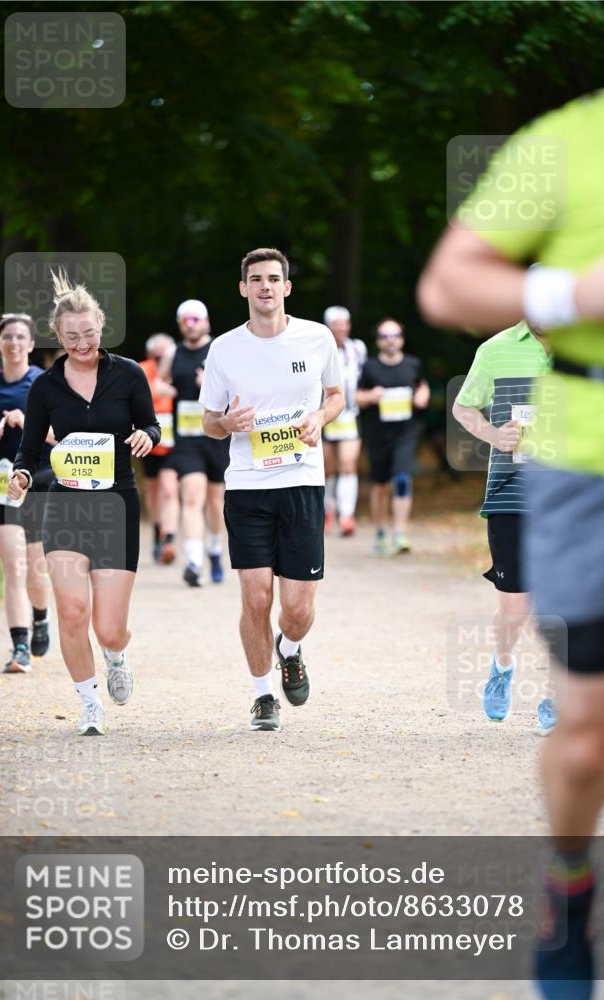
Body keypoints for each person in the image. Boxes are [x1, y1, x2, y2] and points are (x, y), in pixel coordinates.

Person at [418, 2, 604, 994]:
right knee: (589, 740)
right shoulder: (564, 144)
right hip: (594, 458)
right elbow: (447, 286)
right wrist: (566, 295)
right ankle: (568, 875)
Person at [9, 271, 160, 736]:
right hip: (66, 506)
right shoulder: (45, 387)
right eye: (71, 336)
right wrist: (21, 474)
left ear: (102, 326)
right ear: (58, 335)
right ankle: (90, 703)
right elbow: (29, 450)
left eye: (89, 333)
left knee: (109, 627)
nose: (81, 343)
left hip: (116, 506)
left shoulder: (129, 374)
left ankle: (116, 654)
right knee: (72, 612)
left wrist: (146, 436)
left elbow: (152, 426)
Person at [201, 247, 343, 732]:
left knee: (298, 609)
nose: (265, 286)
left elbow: (336, 395)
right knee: (256, 598)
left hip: (301, 481)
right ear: (244, 288)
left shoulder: (317, 338)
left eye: (273, 278)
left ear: (287, 287)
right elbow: (208, 421)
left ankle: (291, 647)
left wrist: (319, 418)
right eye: (256, 279)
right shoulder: (224, 349)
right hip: (247, 486)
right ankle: (263, 696)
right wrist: (226, 422)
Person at [453, 319, 557, 734]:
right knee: (515, 607)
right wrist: (494, 435)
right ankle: (502, 665)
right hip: (510, 493)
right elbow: (464, 407)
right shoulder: (495, 349)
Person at [0, 313, 52, 672]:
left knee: (35, 568)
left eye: (21, 337)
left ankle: (41, 616)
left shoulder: (44, 383)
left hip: (38, 479)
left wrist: (30, 423)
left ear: (31, 344)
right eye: (8, 337)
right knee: (14, 565)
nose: (14, 343)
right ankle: (19, 647)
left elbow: (63, 437)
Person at [158, 300, 229, 585]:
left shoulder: (220, 350)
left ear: (206, 321)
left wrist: (210, 387)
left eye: (195, 319)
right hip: (186, 439)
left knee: (215, 502)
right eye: (185, 320)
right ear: (179, 324)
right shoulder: (172, 353)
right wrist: (164, 389)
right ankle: (194, 563)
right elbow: (158, 383)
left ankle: (214, 549)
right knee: (191, 497)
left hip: (218, 435)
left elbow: (239, 389)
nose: (191, 324)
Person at [356, 318, 430, 555]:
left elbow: (421, 386)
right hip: (378, 434)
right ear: (378, 341)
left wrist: (422, 396)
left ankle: (400, 533)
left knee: (402, 479)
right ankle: (380, 531)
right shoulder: (370, 367)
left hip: (405, 433)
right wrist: (370, 397)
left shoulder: (412, 364)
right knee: (380, 486)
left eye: (395, 335)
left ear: (402, 339)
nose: (390, 340)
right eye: (385, 336)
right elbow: (356, 396)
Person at [322, 306, 367, 536]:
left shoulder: (358, 348)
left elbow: (364, 376)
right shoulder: (320, 348)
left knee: (348, 463)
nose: (340, 328)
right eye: (335, 324)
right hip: (326, 413)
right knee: (328, 467)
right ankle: (327, 509)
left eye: (344, 323)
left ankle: (347, 515)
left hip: (350, 413)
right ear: (328, 327)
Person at [139, 333, 176, 561]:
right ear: (150, 355)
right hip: (149, 440)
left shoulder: (178, 369)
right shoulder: (142, 370)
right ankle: (156, 530)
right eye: (157, 356)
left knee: (169, 488)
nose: (161, 360)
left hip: (174, 441)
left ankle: (168, 540)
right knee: (152, 490)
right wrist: (156, 390)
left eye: (166, 356)